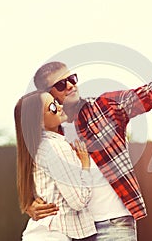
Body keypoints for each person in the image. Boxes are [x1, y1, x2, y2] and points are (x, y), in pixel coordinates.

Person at [26, 15, 152, 240]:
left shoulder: (105, 107)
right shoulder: (48, 136)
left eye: (72, 78)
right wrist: (31, 205)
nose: (71, 85)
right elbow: (39, 183)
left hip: (114, 224)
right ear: (47, 94)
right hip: (69, 230)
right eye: (62, 84)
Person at [14, 90, 97, 240]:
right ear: (38, 120)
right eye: (52, 107)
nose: (59, 107)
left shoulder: (39, 146)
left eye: (57, 102)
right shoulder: (55, 147)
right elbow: (79, 200)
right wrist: (85, 165)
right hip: (52, 235)